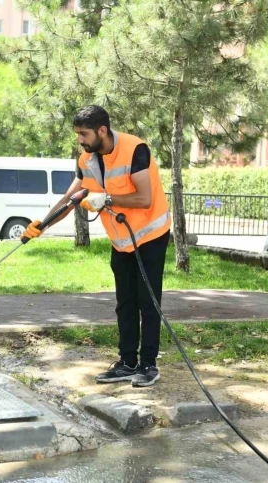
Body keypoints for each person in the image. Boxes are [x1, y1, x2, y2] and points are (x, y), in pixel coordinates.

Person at [23, 105, 171, 387]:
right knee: (124, 303)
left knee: (148, 303)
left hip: (151, 236)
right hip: (122, 240)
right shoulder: (87, 159)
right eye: (78, 134)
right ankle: (127, 363)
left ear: (102, 130)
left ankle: (148, 365)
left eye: (84, 134)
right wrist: (43, 224)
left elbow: (144, 199)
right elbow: (72, 199)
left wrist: (107, 200)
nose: (80, 140)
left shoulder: (135, 149)